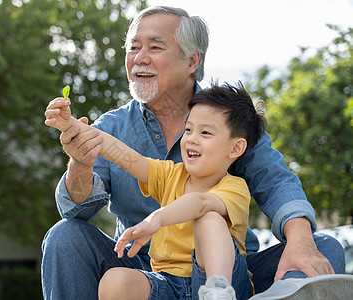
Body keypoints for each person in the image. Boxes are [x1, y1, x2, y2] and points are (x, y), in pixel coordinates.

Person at [41, 5, 348, 300]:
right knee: (65, 235)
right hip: (145, 272)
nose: (139, 59)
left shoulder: (230, 119)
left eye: (154, 48)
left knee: (322, 247)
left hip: (226, 272)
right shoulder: (111, 126)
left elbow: (276, 182)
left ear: (191, 61)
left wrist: (300, 241)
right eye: (133, 48)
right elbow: (76, 210)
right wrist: (80, 162)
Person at [45, 82, 266, 299]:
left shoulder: (235, 188)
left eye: (205, 133)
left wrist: (157, 219)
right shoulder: (169, 174)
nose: (191, 139)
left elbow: (200, 203)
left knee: (208, 219)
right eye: (188, 129)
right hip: (167, 282)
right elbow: (123, 155)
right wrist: (72, 126)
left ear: (236, 147)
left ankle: (218, 293)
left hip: (219, 280)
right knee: (115, 281)